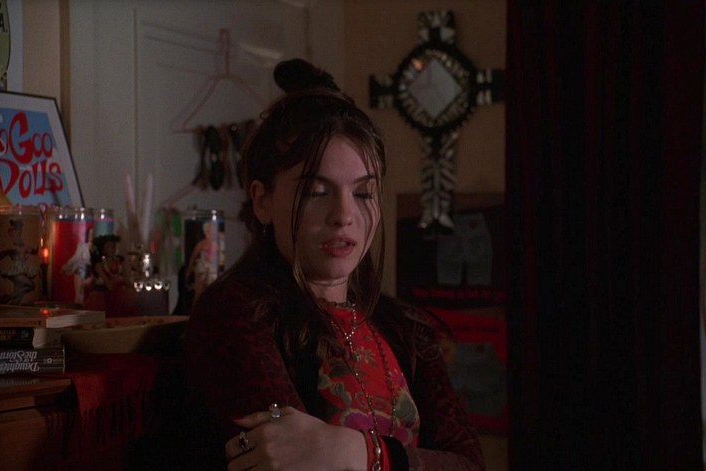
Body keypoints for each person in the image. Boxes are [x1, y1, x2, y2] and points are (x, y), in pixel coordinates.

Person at [184, 59, 486, 471]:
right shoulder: (236, 314)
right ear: (262, 200)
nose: (344, 215)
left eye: (363, 194)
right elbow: (290, 457)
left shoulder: (405, 328)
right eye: (317, 191)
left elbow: (469, 464)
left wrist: (357, 452)